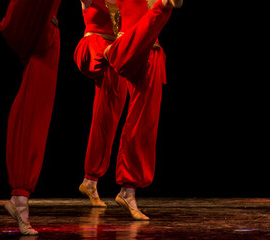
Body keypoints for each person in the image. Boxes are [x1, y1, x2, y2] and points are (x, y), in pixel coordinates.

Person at [96, 0, 182, 220]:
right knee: (138, 119)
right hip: (131, 47)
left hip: (151, 49)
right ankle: (125, 188)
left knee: (144, 121)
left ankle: (128, 190)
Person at [0, 0, 61, 235]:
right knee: (34, 116)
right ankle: (20, 200)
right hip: (42, 33)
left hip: (40, 29)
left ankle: (20, 199)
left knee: (30, 112)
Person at [75, 0, 124, 209]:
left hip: (115, 57)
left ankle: (90, 181)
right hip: (92, 48)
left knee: (106, 118)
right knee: (104, 49)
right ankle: (109, 54)